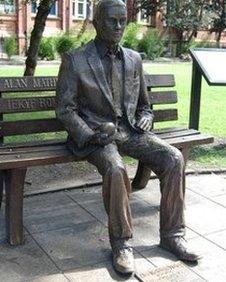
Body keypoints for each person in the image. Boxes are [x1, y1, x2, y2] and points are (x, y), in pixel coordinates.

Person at [56, 0, 200, 275]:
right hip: (96, 136)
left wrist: (146, 117)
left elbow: (145, 105)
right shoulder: (75, 60)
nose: (119, 26)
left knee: (173, 158)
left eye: (123, 20)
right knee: (116, 168)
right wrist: (89, 135)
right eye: (113, 20)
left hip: (130, 131)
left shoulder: (134, 58)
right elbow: (65, 109)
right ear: (96, 23)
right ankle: (121, 243)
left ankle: (173, 235)